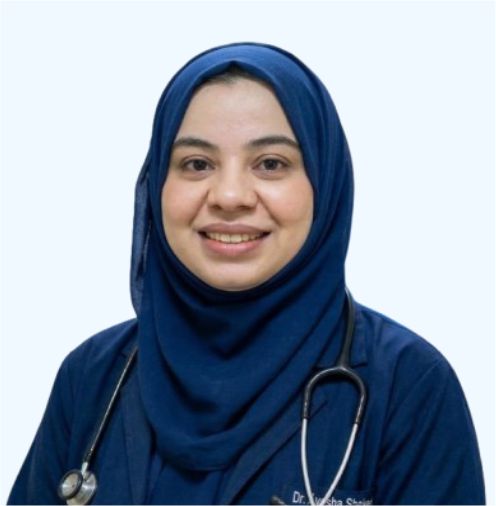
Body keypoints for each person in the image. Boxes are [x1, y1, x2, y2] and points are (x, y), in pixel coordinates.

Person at [8, 42, 485, 505]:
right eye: (197, 164)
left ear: (325, 183)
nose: (230, 196)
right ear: (158, 185)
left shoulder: (408, 384)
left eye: (271, 164)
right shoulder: (92, 376)